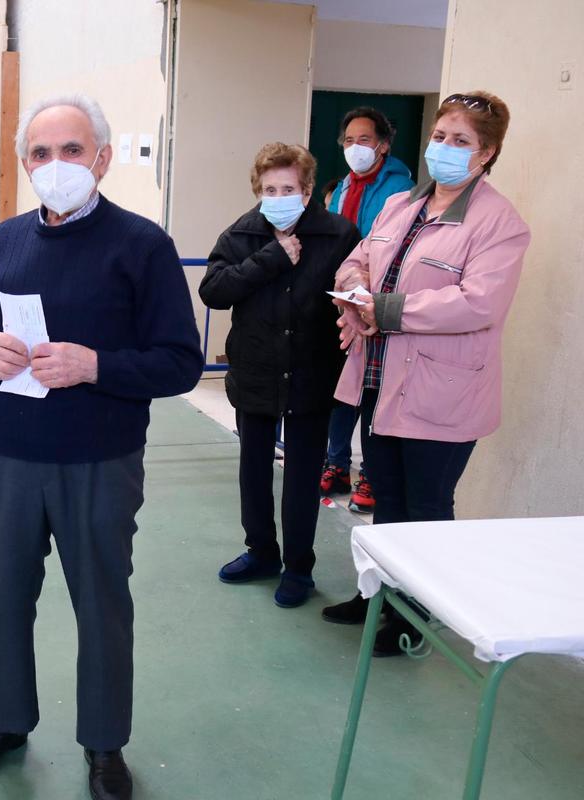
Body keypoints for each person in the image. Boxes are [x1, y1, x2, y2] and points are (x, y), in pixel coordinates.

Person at [0, 94, 204, 800]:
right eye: (40, 153)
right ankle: (4, 721)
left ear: (103, 157)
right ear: (25, 163)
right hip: (6, 454)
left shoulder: (142, 245)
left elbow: (181, 361)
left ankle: (104, 744)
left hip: (99, 459)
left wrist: (98, 366)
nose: (55, 165)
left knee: (101, 603)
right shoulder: (2, 243)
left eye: (72, 150)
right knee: (4, 598)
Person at [321, 92, 529, 655]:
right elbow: (360, 258)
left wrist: (385, 308)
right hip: (383, 381)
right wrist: (353, 294)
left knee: (427, 509)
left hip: (445, 393)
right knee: (385, 497)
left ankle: (415, 622)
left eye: (461, 142)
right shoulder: (402, 205)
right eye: (441, 136)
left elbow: (478, 303)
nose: (445, 148)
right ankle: (377, 598)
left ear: (486, 154)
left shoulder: (499, 223)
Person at [199, 143, 361, 609]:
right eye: (270, 188)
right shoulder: (243, 233)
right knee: (252, 470)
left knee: (303, 476)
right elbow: (213, 291)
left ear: (307, 190)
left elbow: (354, 287)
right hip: (255, 372)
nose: (278, 195)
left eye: (288, 188)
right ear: (258, 190)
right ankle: (261, 552)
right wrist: (270, 257)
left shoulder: (338, 234)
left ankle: (299, 567)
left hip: (312, 373)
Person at [321, 108, 416, 513]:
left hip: (376, 302)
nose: (355, 148)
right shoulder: (344, 185)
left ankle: (370, 475)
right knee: (341, 390)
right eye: (348, 141)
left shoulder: (399, 189)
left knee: (370, 391)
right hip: (342, 292)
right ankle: (337, 462)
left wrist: (365, 295)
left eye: (364, 140)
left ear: (383, 144)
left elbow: (381, 247)